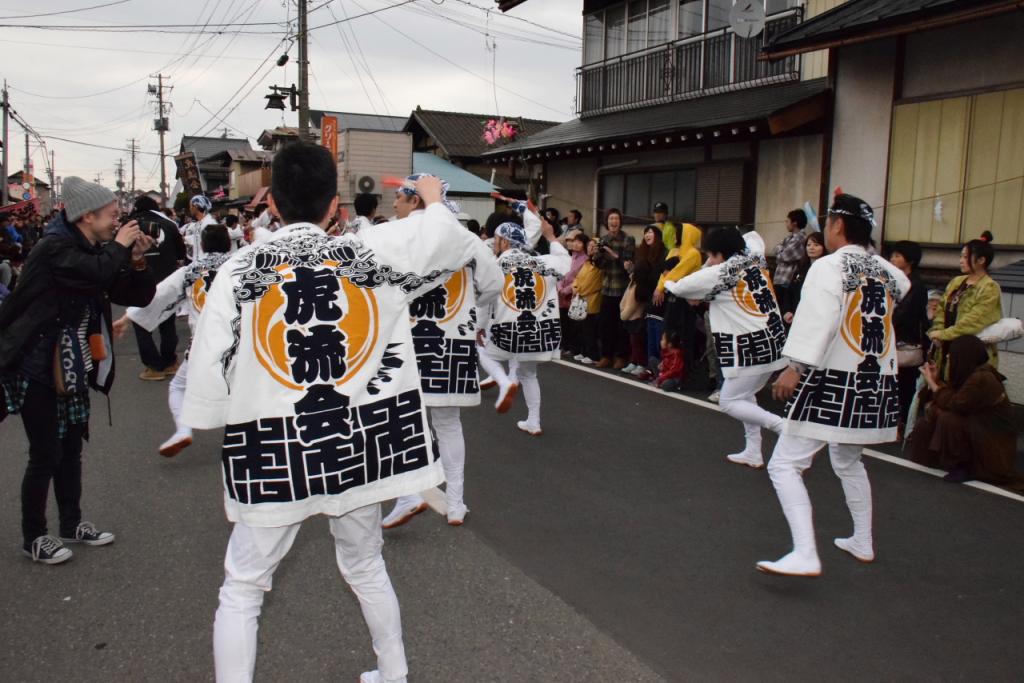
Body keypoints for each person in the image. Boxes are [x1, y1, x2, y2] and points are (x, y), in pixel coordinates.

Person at [182, 144, 486, 683]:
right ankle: (393, 672)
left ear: (271, 203)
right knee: (366, 563)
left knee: (244, 586)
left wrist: (217, 408)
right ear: (335, 208)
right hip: (360, 437)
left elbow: (209, 372)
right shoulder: (374, 253)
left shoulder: (240, 271)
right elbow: (448, 238)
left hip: (272, 443)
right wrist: (435, 200)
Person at [0, 177, 156, 565]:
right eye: (110, 215)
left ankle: (72, 523)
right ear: (86, 216)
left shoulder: (93, 248)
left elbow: (133, 294)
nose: (116, 221)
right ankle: (33, 536)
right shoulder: (56, 247)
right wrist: (120, 248)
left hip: (70, 364)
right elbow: (100, 273)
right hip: (37, 363)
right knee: (46, 453)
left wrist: (135, 258)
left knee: (71, 448)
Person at [764, 193, 910, 577]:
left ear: (838, 227)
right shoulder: (883, 270)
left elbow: (819, 320)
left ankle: (805, 553)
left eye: (827, 222)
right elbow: (904, 284)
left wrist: (794, 366)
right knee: (848, 461)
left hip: (833, 379)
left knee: (784, 465)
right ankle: (862, 540)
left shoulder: (830, 267)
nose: (824, 229)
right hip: (875, 381)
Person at [378, 175, 503, 529]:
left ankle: (408, 493)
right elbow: (493, 284)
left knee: (401, 417)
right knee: (448, 424)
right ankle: (456, 503)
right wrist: (471, 309)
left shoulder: (396, 233)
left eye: (400, 198)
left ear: (415, 200)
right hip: (454, 340)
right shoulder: (465, 238)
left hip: (409, 339)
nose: (395, 204)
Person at [667, 228, 788, 467]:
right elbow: (753, 237)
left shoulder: (723, 272)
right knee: (746, 396)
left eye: (711, 255)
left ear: (722, 255)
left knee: (729, 401)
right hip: (773, 343)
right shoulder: (754, 257)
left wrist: (668, 280)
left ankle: (783, 427)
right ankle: (753, 451)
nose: (709, 261)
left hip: (751, 348)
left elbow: (680, 287)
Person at [114, 224, 233, 457]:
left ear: (203, 245)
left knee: (178, 387)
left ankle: (183, 429)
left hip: (203, 345)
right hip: (239, 342)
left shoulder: (191, 271)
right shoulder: (241, 265)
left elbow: (160, 294)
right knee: (242, 392)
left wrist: (127, 317)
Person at [476, 205, 571, 435]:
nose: (495, 243)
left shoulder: (496, 266)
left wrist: (478, 327)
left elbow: (485, 299)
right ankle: (534, 421)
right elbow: (565, 261)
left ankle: (503, 381)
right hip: (539, 331)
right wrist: (551, 237)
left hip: (507, 331)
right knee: (529, 374)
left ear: (505, 243)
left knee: (483, 353)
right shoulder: (543, 262)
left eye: (497, 239)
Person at [912, 335, 1024, 490]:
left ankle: (962, 467)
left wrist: (932, 383)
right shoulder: (972, 374)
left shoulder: (982, 378)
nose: (948, 356)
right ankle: (940, 461)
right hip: (981, 435)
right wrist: (936, 381)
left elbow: (955, 404)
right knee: (928, 422)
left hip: (992, 444)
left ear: (963, 356)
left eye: (952, 353)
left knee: (949, 419)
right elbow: (952, 396)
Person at [928, 232, 1002, 380]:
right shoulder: (957, 281)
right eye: (961, 256)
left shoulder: (989, 287)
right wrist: (937, 331)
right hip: (944, 347)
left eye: (965, 257)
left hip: (969, 353)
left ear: (981, 260)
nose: (961, 261)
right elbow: (941, 308)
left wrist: (943, 334)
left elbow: (973, 321)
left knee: (963, 392)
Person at [130, 196, 186, 381]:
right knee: (166, 319)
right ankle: (169, 361)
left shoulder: (131, 225)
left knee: (141, 323)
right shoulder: (169, 225)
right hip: (167, 280)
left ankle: (154, 366)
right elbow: (181, 253)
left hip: (140, 280)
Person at [888, 240, 930, 430]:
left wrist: (885, 321)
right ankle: (891, 420)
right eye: (893, 255)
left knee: (905, 384)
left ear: (910, 260)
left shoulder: (917, 285)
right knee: (892, 381)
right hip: (892, 337)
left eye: (898, 256)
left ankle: (903, 423)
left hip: (907, 340)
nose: (892, 259)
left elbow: (905, 313)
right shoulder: (892, 279)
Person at [623, 225, 665, 377]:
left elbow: (660, 274)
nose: (647, 235)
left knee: (650, 333)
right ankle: (641, 362)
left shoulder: (662, 253)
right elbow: (637, 273)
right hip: (641, 296)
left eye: (651, 232)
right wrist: (630, 270)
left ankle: (650, 365)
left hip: (655, 297)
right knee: (637, 330)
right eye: (646, 232)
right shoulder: (642, 252)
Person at [594, 209, 634, 369]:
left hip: (622, 288)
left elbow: (627, 263)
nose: (613, 221)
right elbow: (600, 266)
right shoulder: (603, 239)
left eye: (616, 218)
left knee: (621, 326)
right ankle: (606, 355)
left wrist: (611, 253)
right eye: (611, 218)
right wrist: (596, 255)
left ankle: (621, 356)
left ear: (620, 221)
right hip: (607, 288)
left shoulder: (628, 239)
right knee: (606, 325)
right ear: (607, 221)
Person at [779, 231, 826, 325]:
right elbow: (789, 291)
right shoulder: (801, 268)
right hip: (795, 318)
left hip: (815, 320)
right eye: (808, 245)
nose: (811, 248)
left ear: (824, 247)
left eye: (816, 245)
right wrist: (786, 311)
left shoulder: (827, 269)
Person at [557, 229, 589, 358]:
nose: (575, 244)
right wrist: (559, 288)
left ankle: (573, 347)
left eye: (579, 242)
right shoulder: (570, 257)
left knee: (573, 323)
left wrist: (565, 290)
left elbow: (579, 279)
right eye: (573, 241)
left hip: (572, 295)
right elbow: (561, 274)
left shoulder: (585, 260)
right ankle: (563, 345)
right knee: (563, 321)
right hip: (561, 294)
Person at [571, 239, 603, 365]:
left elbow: (592, 283)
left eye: (594, 246)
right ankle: (584, 351)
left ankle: (592, 354)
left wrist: (579, 290)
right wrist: (575, 287)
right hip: (581, 298)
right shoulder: (587, 262)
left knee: (590, 329)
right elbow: (578, 278)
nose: (591, 247)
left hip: (591, 298)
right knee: (582, 328)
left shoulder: (598, 264)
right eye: (589, 245)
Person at [772, 209, 808, 298]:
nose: (786, 223)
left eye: (787, 221)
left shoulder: (799, 239)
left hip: (787, 280)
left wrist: (780, 249)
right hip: (781, 279)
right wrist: (780, 249)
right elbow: (775, 248)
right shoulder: (790, 238)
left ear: (794, 223)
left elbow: (783, 256)